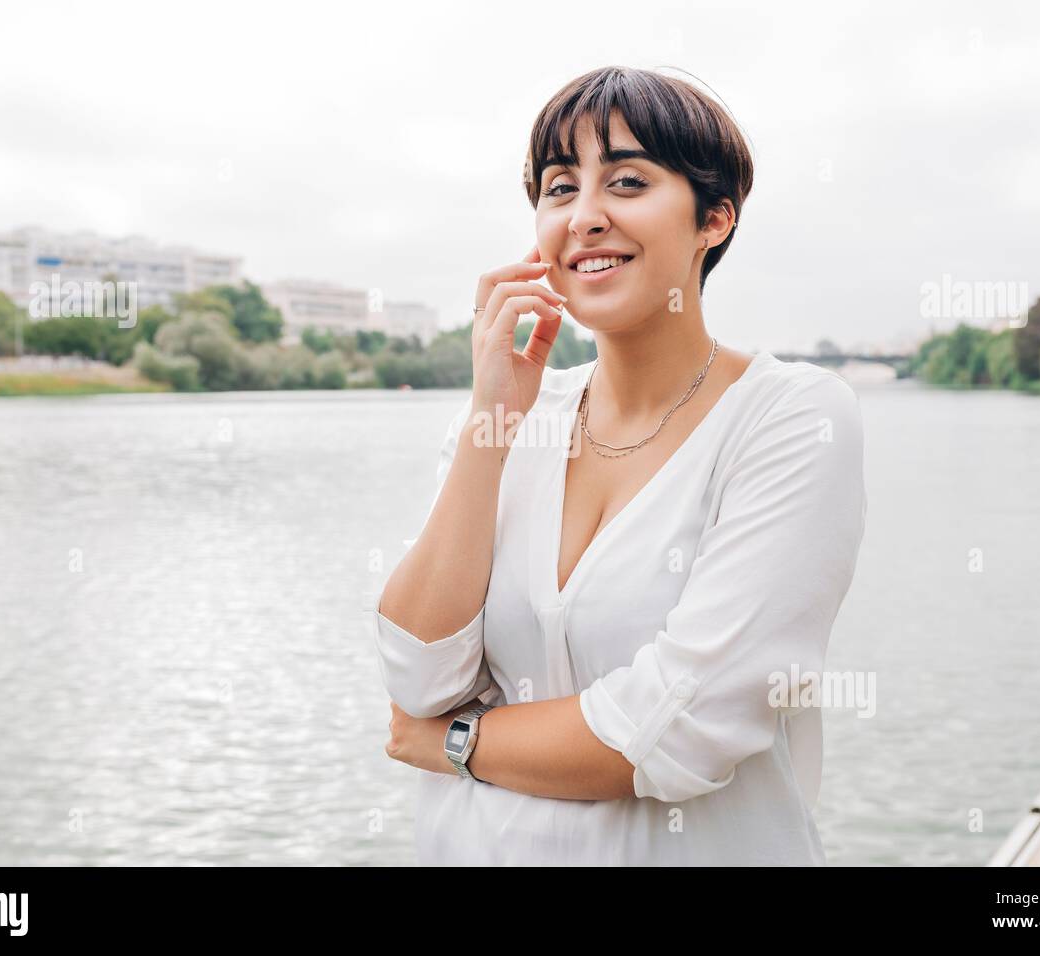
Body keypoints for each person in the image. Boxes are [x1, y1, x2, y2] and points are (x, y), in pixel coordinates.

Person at [372, 65, 868, 865]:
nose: (586, 218)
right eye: (561, 188)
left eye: (628, 181)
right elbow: (416, 679)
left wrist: (455, 740)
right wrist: (489, 417)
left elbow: (681, 731)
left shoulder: (791, 417)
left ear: (714, 218)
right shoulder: (514, 421)